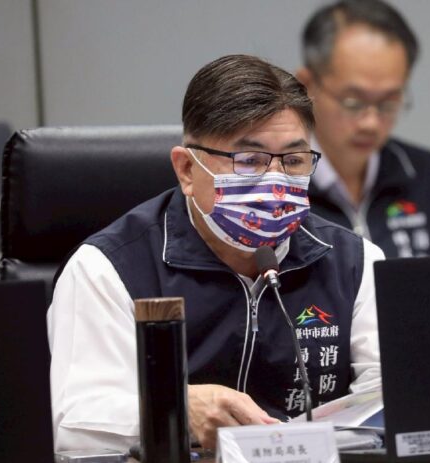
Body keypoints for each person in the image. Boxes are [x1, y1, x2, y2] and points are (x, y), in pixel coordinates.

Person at [48, 54, 383, 452]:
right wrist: (174, 409)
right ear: (187, 170)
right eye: (249, 161)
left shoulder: (354, 263)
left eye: (293, 161)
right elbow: (73, 422)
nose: (275, 182)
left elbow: (390, 395)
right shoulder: (108, 268)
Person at [296, 0, 430, 258]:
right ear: (306, 85)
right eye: (353, 102)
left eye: (388, 103)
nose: (370, 123)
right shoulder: (277, 182)